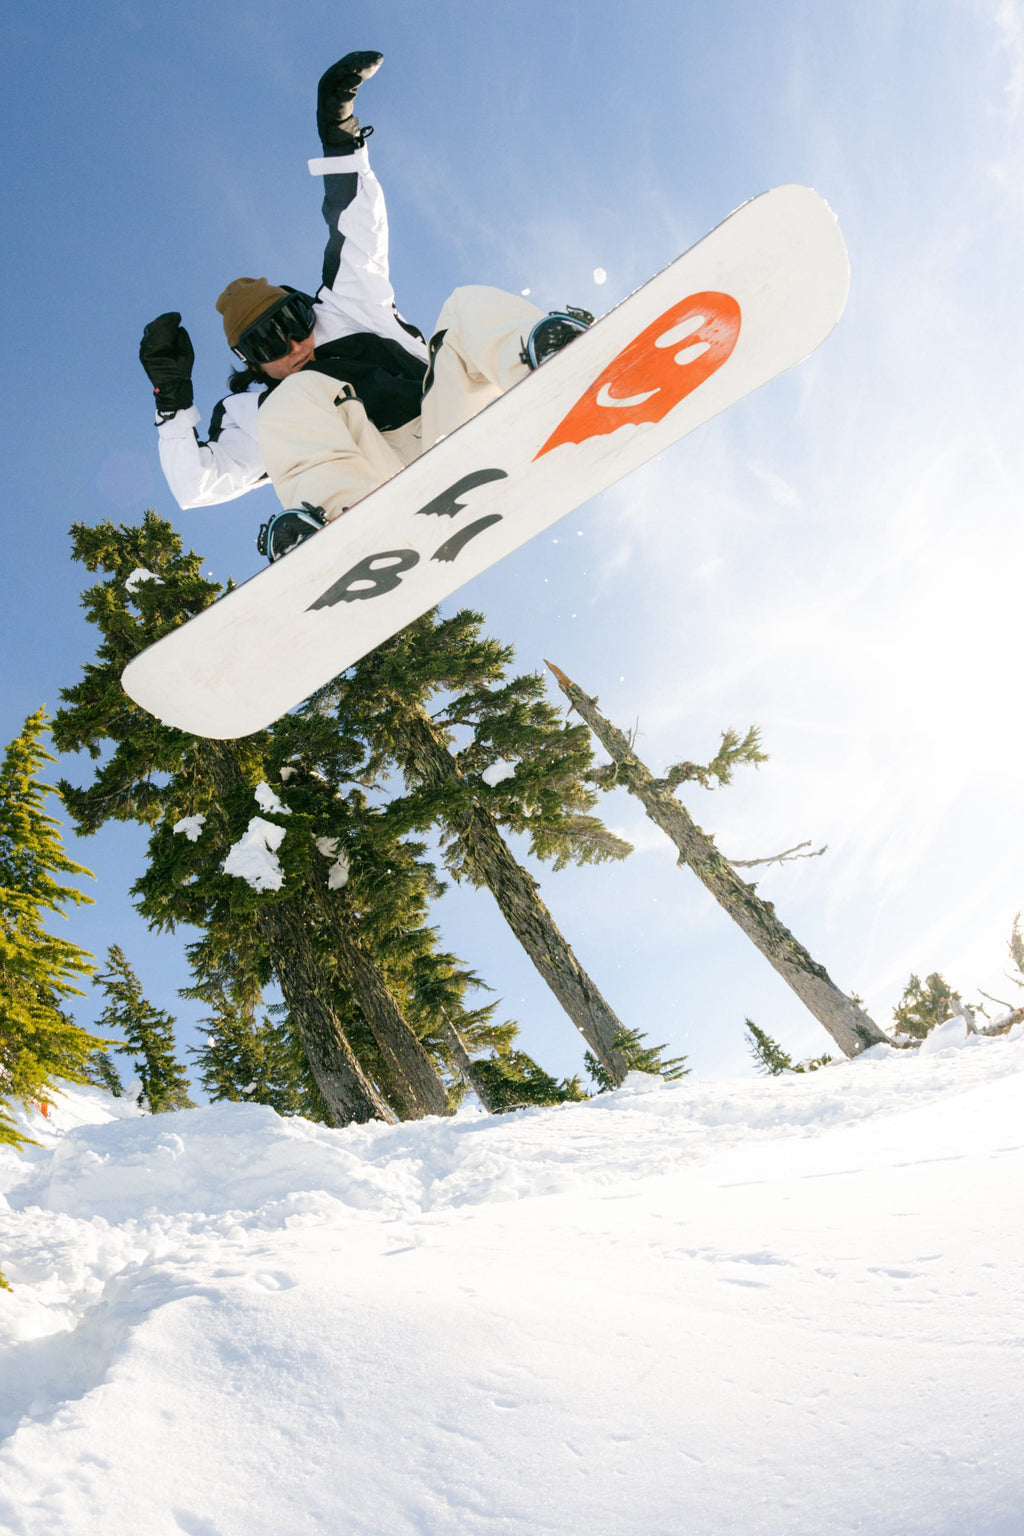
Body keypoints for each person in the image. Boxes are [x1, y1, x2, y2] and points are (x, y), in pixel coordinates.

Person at [140, 51, 592, 561]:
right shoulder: (256, 413)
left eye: (294, 321)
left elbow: (357, 224)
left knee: (463, 307)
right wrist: (172, 398)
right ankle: (340, 525)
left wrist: (339, 135)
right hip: (380, 482)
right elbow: (196, 485)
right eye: (268, 341)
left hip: (454, 421)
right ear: (250, 360)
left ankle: (552, 364)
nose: (294, 344)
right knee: (294, 396)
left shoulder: (347, 305)